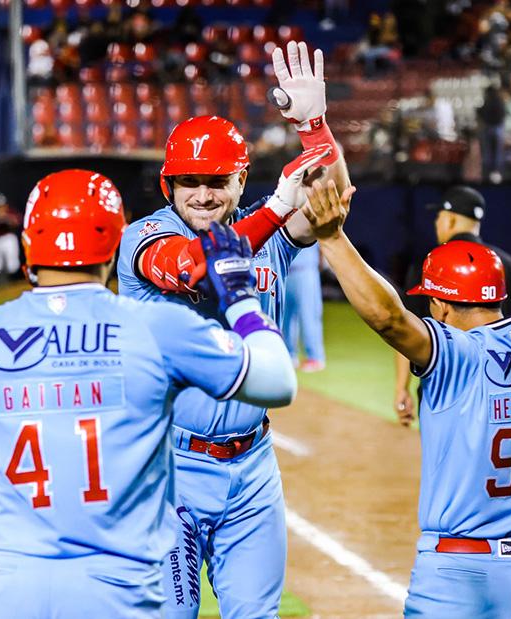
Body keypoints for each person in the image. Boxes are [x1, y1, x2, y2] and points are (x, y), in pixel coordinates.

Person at [0, 169, 297, 618]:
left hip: (13, 588)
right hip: (119, 587)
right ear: (113, 244)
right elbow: (276, 381)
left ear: (28, 243)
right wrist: (241, 298)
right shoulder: (156, 328)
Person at [300, 92, 511, 618]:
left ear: (442, 304)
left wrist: (333, 241)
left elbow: (388, 318)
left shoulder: (456, 355)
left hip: (460, 577)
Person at [117, 41, 351, 619]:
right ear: (168, 185)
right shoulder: (144, 236)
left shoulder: (265, 230)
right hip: (166, 470)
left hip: (252, 470)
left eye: (216, 179)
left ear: (239, 179)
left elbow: (334, 200)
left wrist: (315, 131)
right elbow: (196, 266)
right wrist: (275, 204)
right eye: (188, 180)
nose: (202, 193)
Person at [394, 185, 511, 421]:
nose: (436, 223)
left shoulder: (431, 265)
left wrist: (401, 388)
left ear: (449, 220)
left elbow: (407, 331)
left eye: (438, 217)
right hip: (505, 395)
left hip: (446, 394)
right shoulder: (508, 265)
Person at [283, 244, 326, 372]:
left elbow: (323, 241)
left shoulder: (310, 223)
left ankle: (315, 357)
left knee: (309, 315)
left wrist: (320, 264)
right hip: (285, 270)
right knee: (285, 316)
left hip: (305, 270)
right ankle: (290, 354)